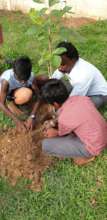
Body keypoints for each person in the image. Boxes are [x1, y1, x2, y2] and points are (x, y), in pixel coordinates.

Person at [41, 79, 107, 165]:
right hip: (103, 134)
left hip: (94, 146)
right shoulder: (81, 98)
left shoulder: (64, 119)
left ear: (55, 104)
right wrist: (53, 121)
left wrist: (55, 132)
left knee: (46, 145)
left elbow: (62, 133)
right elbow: (74, 115)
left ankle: (88, 155)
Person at [52, 41, 107, 108]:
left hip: (98, 95)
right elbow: (53, 80)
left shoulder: (83, 75)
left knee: (79, 108)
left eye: (63, 64)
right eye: (58, 63)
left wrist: (59, 109)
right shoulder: (67, 63)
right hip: (80, 88)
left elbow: (73, 102)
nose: (60, 68)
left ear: (73, 59)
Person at [0, 56, 46, 132]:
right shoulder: (6, 81)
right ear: (14, 72)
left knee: (44, 78)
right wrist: (17, 121)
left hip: (22, 88)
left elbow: (39, 96)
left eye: (25, 79)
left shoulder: (30, 75)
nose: (23, 82)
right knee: (26, 94)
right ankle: (11, 104)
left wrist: (32, 116)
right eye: (20, 79)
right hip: (10, 94)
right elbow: (1, 104)